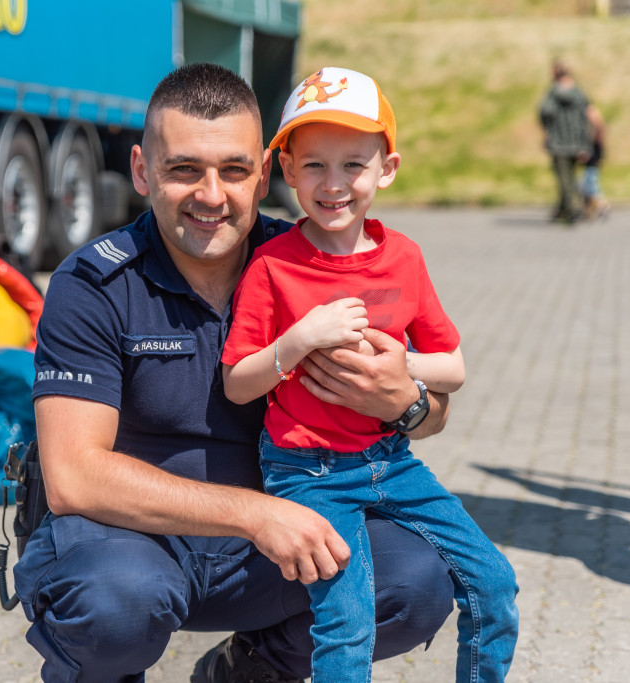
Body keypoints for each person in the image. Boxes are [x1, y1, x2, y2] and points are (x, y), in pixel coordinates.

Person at [13, 62, 458, 683]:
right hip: (133, 544)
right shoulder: (94, 285)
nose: (211, 195)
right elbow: (73, 476)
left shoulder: (312, 265)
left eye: (234, 170)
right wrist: (253, 513)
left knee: (416, 581)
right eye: (184, 169)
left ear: (265, 174)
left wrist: (406, 403)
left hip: (277, 545)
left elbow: (432, 409)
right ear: (142, 170)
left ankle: (248, 671)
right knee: (112, 608)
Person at [220, 67, 519, 683]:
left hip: (393, 462)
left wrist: (396, 363)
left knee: (493, 583)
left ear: (387, 169)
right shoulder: (273, 266)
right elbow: (237, 382)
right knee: (347, 622)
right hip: (307, 473)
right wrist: (299, 341)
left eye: (354, 165)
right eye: (313, 166)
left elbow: (454, 368)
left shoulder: (404, 257)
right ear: (286, 172)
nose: (334, 185)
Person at [538, 60, 592, 224]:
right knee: (569, 177)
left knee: (564, 179)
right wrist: (585, 145)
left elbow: (545, 112)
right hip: (577, 143)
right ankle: (561, 210)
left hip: (559, 142)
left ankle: (572, 210)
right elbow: (586, 120)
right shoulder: (579, 94)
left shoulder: (553, 94)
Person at [581, 104, 610, 220]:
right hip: (594, 157)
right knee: (588, 182)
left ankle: (603, 206)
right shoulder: (598, 131)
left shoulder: (596, 134)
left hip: (593, 158)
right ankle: (592, 209)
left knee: (591, 183)